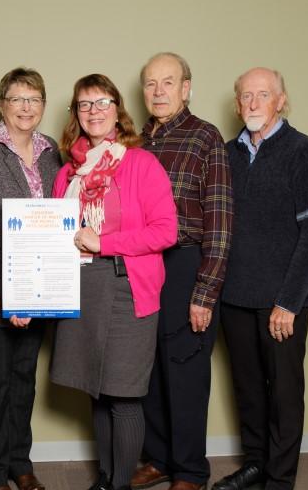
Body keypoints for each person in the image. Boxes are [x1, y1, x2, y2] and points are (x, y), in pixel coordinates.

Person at [50, 73, 177, 490]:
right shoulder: (67, 173)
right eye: (85, 104)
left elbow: (166, 231)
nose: (94, 111)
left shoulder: (141, 163)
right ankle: (105, 479)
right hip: (82, 287)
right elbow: (52, 235)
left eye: (102, 102)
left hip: (128, 288)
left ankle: (119, 484)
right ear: (76, 113)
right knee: (98, 390)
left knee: (123, 395)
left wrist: (104, 242)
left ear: (117, 109)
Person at [215, 68, 308, 490]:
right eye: (246, 95)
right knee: (248, 390)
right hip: (235, 296)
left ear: (281, 100)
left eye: (263, 94)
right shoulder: (226, 154)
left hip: (283, 300)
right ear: (237, 103)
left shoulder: (305, 152)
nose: (253, 103)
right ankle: (256, 465)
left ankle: (279, 479)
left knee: (283, 394)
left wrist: (288, 302)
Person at [132, 52, 232, 490]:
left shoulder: (205, 137)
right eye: (151, 83)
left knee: (185, 372)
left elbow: (220, 223)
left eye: (168, 82)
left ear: (186, 88)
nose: (158, 92)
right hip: (140, 264)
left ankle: (190, 470)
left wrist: (204, 293)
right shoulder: (134, 142)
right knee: (148, 368)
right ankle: (158, 458)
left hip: (185, 264)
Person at [0, 68, 61, 490]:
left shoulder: (52, 151)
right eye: (17, 99)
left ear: (43, 105)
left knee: (24, 383)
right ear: (2, 105)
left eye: (34, 99)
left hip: (39, 290)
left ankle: (19, 462)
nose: (26, 107)